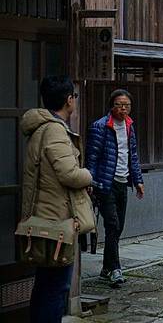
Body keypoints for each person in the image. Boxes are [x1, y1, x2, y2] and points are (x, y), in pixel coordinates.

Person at [21, 76, 93, 323]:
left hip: (45, 216)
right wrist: (89, 174)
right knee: (56, 287)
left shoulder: (41, 128)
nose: (74, 100)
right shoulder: (54, 129)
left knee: (46, 284)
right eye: (73, 96)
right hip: (56, 222)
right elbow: (69, 174)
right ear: (68, 100)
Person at [86, 89, 144, 287]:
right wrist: (91, 183)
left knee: (118, 227)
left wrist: (138, 181)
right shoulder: (100, 126)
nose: (123, 109)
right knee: (112, 224)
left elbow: (133, 156)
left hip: (122, 181)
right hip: (105, 183)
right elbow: (92, 158)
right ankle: (116, 269)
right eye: (119, 105)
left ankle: (106, 268)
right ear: (112, 106)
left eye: (126, 105)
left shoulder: (129, 126)